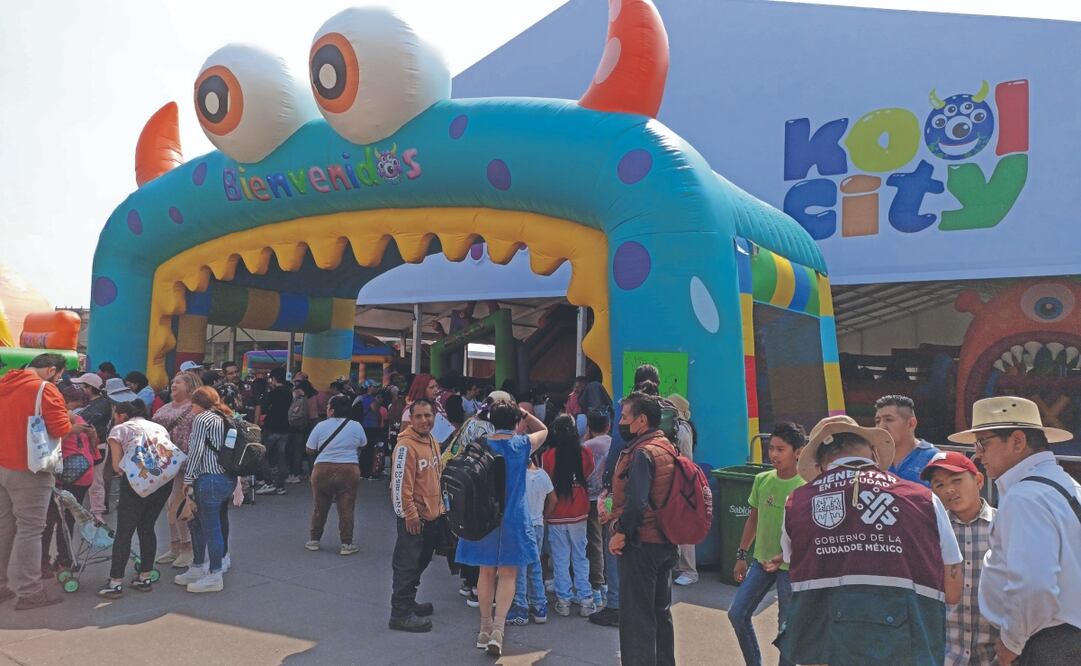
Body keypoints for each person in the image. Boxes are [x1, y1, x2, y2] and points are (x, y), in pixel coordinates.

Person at [776, 415, 963, 665]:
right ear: (874, 453)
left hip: (826, 651)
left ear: (820, 463)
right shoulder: (924, 500)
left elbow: (795, 567)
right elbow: (952, 591)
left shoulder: (796, 503)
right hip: (908, 648)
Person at [949, 396, 1081, 664]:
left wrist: (1012, 642)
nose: (977, 453)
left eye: (983, 443)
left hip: (1049, 645)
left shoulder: (1024, 496)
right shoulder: (1067, 486)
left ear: (1018, 441)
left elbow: (1033, 584)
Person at [455, 394, 549, 657]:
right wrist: (524, 414)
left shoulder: (480, 443)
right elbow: (544, 430)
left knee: (486, 573)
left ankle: (484, 628)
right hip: (514, 517)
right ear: (516, 420)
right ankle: (498, 628)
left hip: (484, 516)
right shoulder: (523, 444)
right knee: (508, 574)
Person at [607, 392, 680, 665]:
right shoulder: (667, 446)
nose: (621, 422)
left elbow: (636, 503)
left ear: (641, 420)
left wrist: (621, 533)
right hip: (665, 541)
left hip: (641, 544)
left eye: (625, 417)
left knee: (637, 620)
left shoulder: (642, 452)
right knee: (660, 613)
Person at [727, 422, 806, 666]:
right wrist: (742, 555)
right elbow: (753, 519)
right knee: (737, 614)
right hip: (761, 562)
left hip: (790, 568)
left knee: (787, 627)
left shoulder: (805, 487)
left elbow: (808, 535)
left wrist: (785, 556)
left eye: (780, 449)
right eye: (771, 448)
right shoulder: (762, 480)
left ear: (798, 452)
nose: (773, 454)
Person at [0, 353, 74, 610]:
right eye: (60, 374)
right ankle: (30, 591)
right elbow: (60, 428)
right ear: (52, 370)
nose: (60, 379)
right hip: (30, 468)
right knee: (31, 529)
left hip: (3, 465)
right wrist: (71, 417)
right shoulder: (45, 390)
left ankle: (1, 585)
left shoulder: (4, 383)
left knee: (5, 526)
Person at [591, 364, 661, 630]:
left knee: (613, 542)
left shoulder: (630, 417)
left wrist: (605, 496)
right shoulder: (666, 418)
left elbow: (613, 463)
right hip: (656, 501)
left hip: (617, 493)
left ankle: (615, 605)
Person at [921, 451, 998, 666]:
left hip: (997, 655)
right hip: (945, 655)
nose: (950, 490)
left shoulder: (1004, 524)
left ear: (979, 480)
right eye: (939, 485)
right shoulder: (931, 532)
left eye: (956, 480)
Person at [97, 400, 175, 598]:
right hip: (163, 481)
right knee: (147, 527)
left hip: (136, 482)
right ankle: (145, 577)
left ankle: (115, 582)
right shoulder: (158, 427)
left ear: (122, 414)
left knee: (125, 531)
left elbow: (117, 466)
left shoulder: (120, 429)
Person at [388, 398, 444, 633]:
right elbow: (400, 486)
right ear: (411, 419)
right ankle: (400, 614)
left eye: (428, 415)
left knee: (420, 562)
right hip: (414, 519)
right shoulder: (405, 447)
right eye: (419, 416)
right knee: (407, 565)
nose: (424, 420)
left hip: (432, 516)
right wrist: (409, 514)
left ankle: (409, 602)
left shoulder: (431, 440)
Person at [173, 387, 235, 593]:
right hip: (226, 478)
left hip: (207, 478)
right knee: (218, 522)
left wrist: (188, 480)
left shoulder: (202, 419)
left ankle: (210, 572)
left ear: (197, 403)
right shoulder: (226, 417)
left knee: (204, 526)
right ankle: (217, 562)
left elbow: (196, 450)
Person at [540, 414, 596, 617]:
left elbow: (547, 482)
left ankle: (563, 601)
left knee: (560, 558)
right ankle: (586, 599)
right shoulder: (585, 453)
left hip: (556, 514)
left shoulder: (548, 456)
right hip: (579, 512)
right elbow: (588, 473)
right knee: (581, 556)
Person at [41, 386, 97, 579]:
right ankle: (62, 560)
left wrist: (78, 432)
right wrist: (74, 431)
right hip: (78, 476)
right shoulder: (77, 420)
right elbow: (93, 451)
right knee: (64, 520)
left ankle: (52, 561)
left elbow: (49, 445)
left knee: (54, 520)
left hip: (67, 478)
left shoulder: (65, 419)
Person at [152, 371, 202, 568]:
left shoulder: (196, 409)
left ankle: (186, 547)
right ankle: (175, 546)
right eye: (173, 382)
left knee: (179, 504)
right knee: (169, 504)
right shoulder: (165, 407)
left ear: (189, 386)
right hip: (165, 463)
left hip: (187, 463)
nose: (173, 385)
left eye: (178, 382)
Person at [305, 395, 366, 555]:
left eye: (327, 406)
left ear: (331, 410)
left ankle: (314, 540)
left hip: (322, 469)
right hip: (349, 469)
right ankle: (346, 544)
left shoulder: (320, 426)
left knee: (320, 506)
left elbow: (310, 449)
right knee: (346, 507)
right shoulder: (356, 426)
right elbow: (363, 444)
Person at [508, 453, 554, 626]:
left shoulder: (518, 477)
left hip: (521, 525)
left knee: (520, 567)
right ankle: (539, 605)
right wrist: (544, 516)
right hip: (538, 525)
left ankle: (520, 607)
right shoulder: (543, 475)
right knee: (535, 566)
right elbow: (553, 499)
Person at [875, 394, 940, 486]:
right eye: (877, 421)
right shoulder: (873, 459)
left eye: (889, 419)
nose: (881, 427)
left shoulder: (934, 458)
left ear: (911, 424)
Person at [581, 409, 612, 607]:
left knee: (594, 541)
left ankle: (597, 583)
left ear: (589, 427)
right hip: (609, 497)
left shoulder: (586, 446)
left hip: (591, 498)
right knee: (609, 537)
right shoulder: (614, 443)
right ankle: (609, 580)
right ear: (608, 425)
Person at [255, 368, 293, 496]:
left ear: (274, 379)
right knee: (281, 457)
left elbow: (263, 406)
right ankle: (280, 486)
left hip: (271, 427)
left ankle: (269, 482)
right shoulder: (289, 393)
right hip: (285, 428)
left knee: (263, 454)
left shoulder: (272, 393)